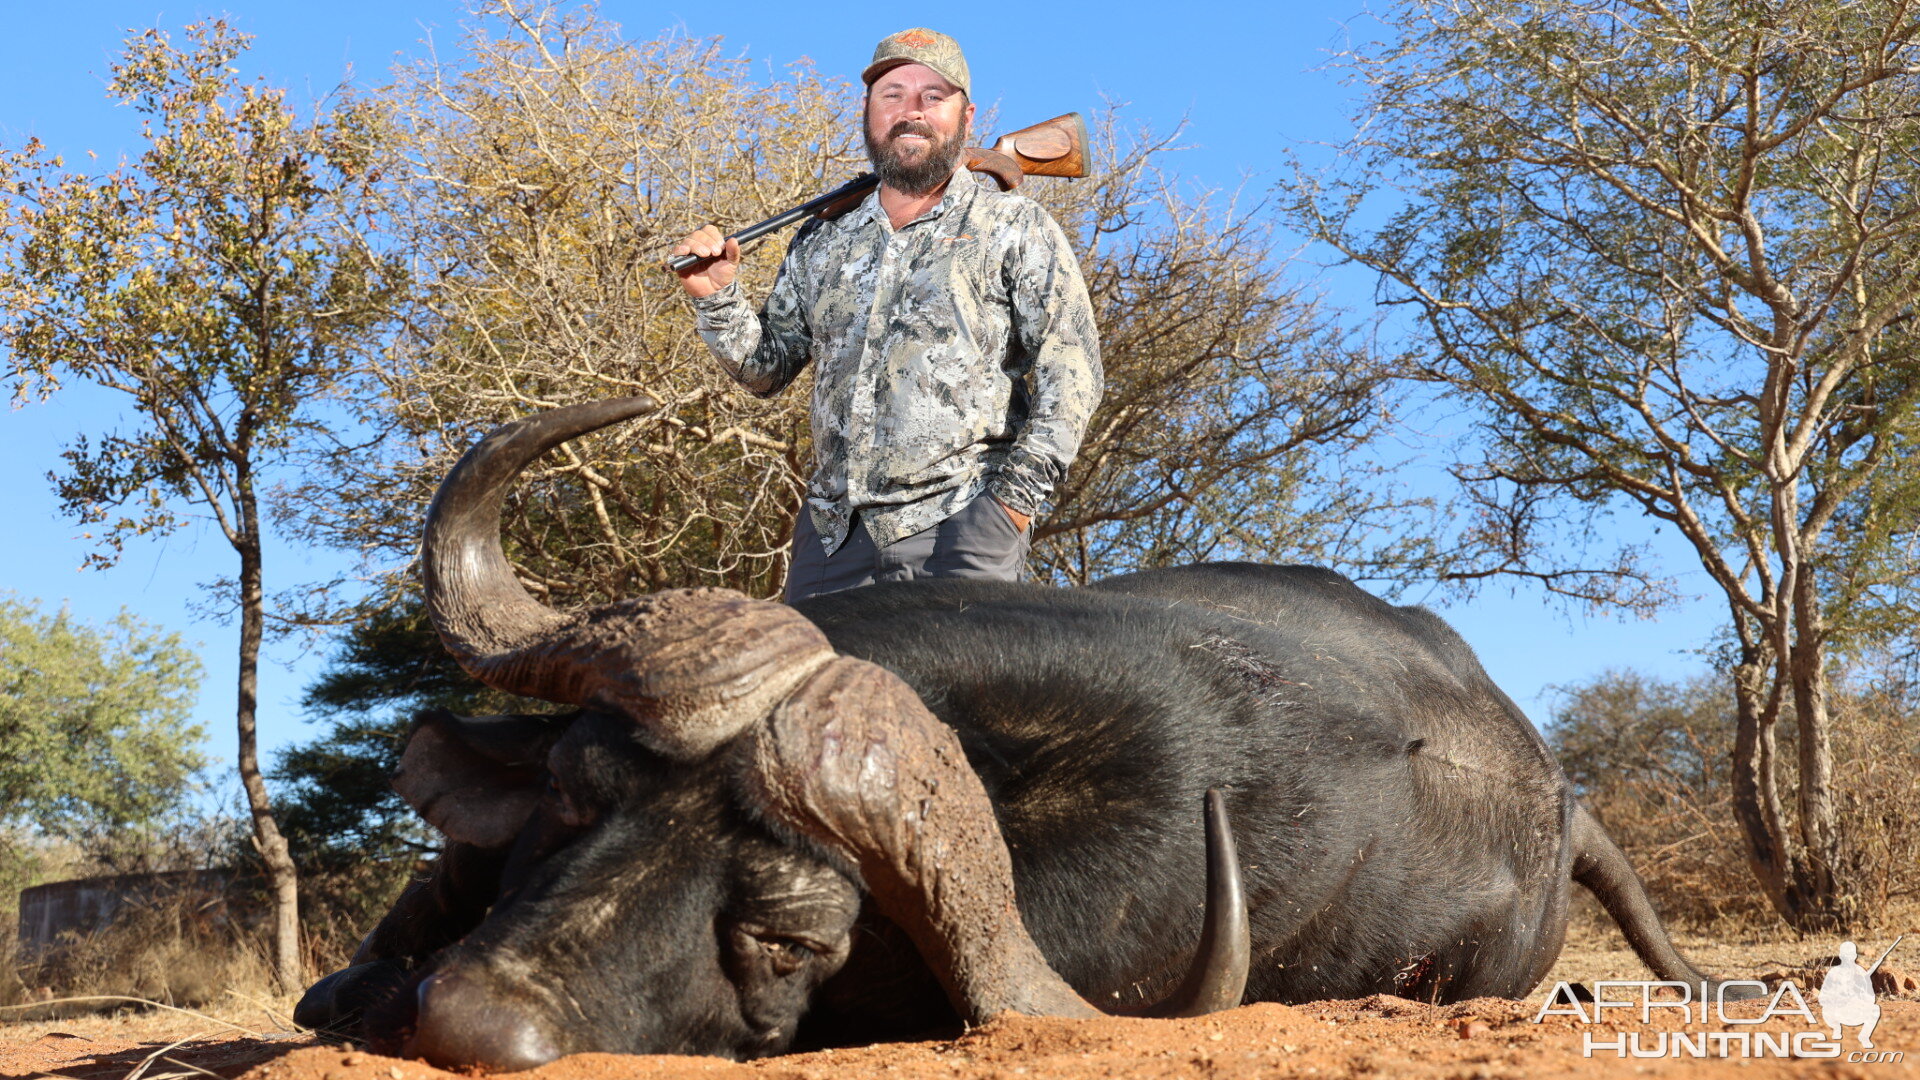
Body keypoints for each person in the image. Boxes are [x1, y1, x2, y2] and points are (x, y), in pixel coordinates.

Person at [672, 27, 1102, 603]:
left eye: (933, 96)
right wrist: (717, 296)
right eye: (893, 95)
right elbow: (764, 370)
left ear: (966, 116)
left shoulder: (1015, 226)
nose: (912, 111)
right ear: (869, 111)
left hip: (961, 527)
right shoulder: (822, 239)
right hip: (831, 542)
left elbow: (1072, 376)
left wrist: (1010, 508)